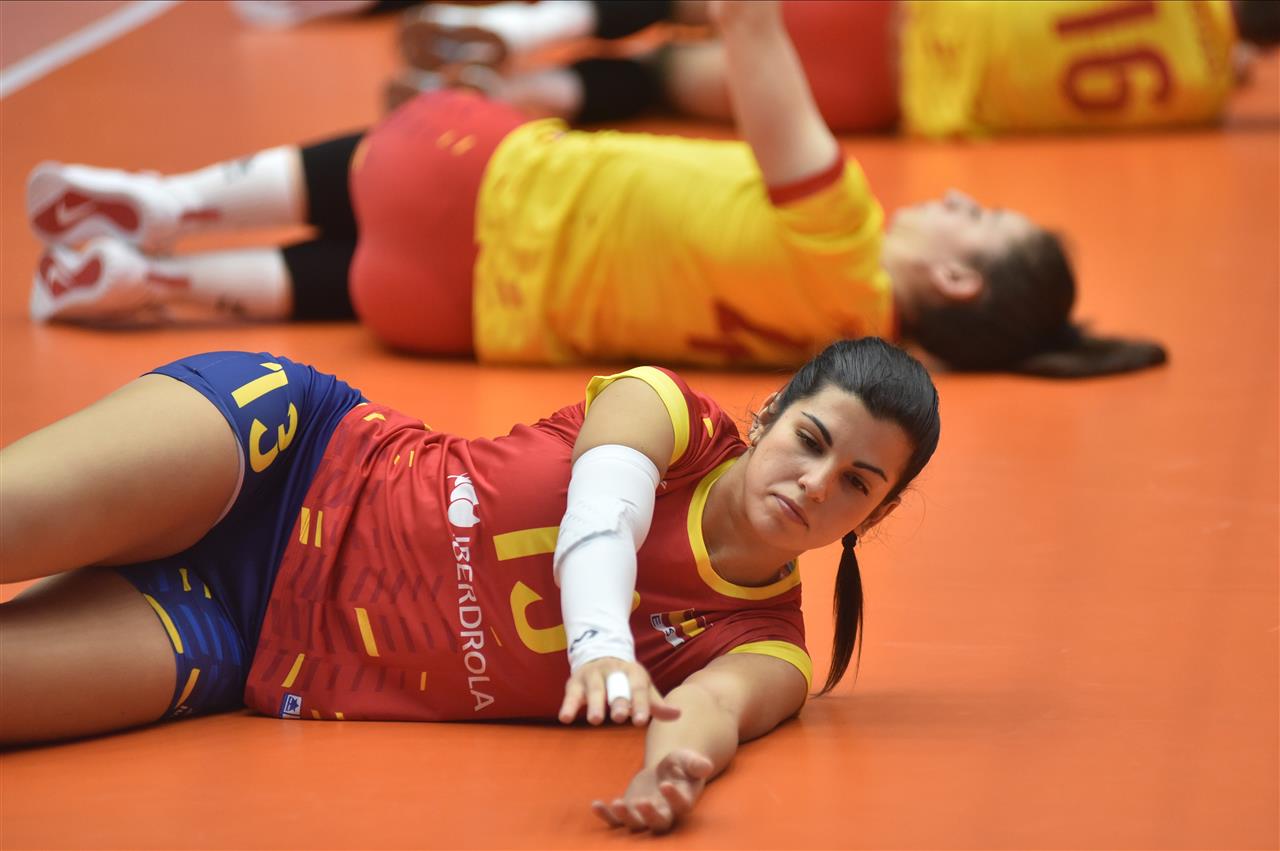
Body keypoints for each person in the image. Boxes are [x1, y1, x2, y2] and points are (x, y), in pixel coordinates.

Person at [0, 336, 941, 833]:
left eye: (857, 483)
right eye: (811, 440)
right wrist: (601, 642)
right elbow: (603, 506)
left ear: (879, 512)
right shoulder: (669, 413)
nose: (816, 484)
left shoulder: (770, 646)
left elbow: (711, 710)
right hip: (282, 454)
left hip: (248, 641)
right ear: (770, 413)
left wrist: (673, 771)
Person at [27, 1, 1165, 377]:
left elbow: (756, 43)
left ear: (957, 277)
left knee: (366, 164)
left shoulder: (841, 226)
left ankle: (166, 204)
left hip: (490, 183)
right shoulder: (841, 349)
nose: (957, 199)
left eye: (976, 217)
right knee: (321, 278)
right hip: (466, 322)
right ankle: (153, 280)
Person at [391, 0, 1278, 135]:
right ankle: (505, 97)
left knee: (692, 3)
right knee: (665, 81)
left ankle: (518, 24)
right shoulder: (1204, 94)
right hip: (886, 96)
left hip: (894, 13)